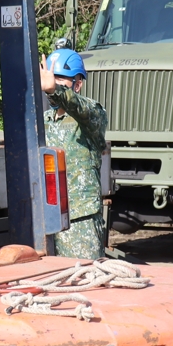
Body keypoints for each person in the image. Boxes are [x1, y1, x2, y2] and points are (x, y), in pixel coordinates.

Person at [40, 48, 108, 260]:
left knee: (83, 279)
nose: (53, 85)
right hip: (47, 216)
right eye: (51, 80)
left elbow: (82, 108)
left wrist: (55, 91)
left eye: (61, 81)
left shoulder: (91, 116)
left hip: (80, 219)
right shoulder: (44, 120)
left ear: (77, 84)